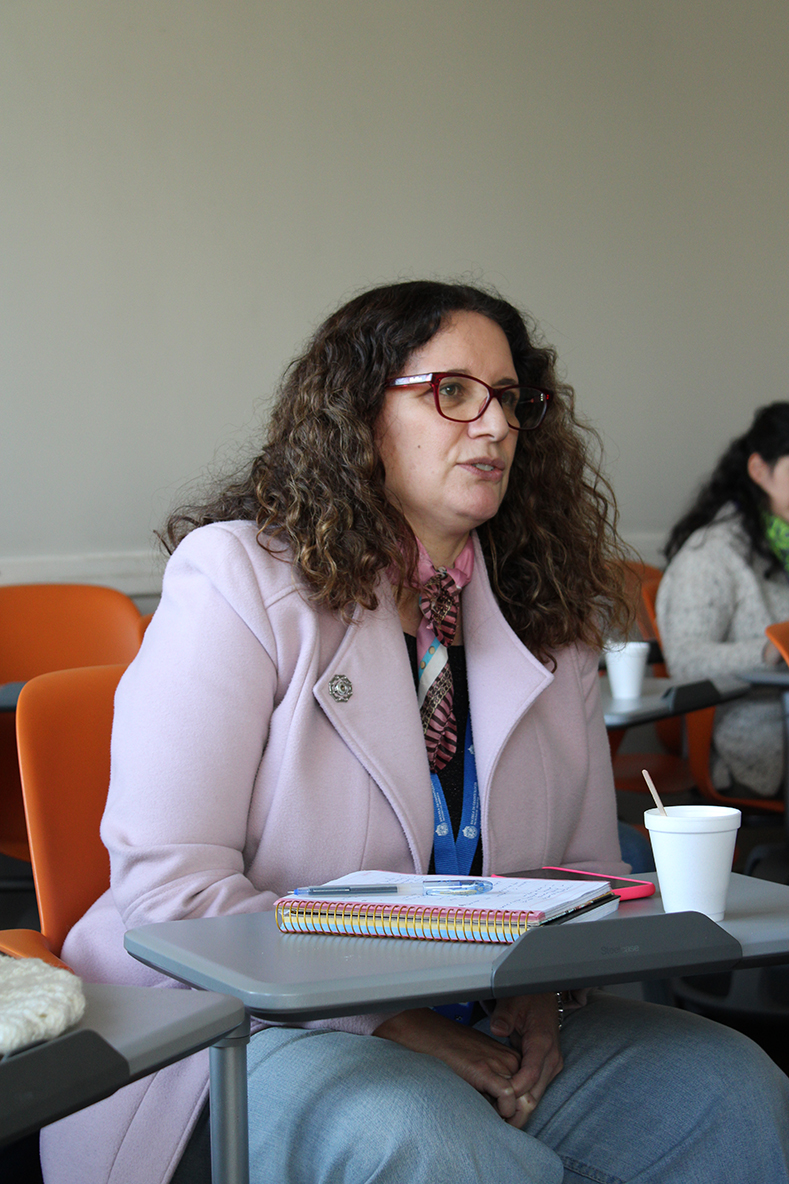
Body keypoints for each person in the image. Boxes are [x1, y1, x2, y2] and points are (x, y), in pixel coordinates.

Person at [43, 283, 789, 1184]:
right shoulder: (239, 580)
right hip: (238, 1019)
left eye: (508, 398)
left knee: (732, 1088)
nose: (495, 425)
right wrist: (392, 1022)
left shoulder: (548, 620)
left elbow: (586, 876)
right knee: (424, 1136)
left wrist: (545, 998)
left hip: (482, 1009)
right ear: (360, 416)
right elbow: (174, 893)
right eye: (453, 392)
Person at [657, 403, 789, 798]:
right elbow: (687, 660)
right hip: (753, 742)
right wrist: (769, 651)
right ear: (759, 470)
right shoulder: (712, 553)